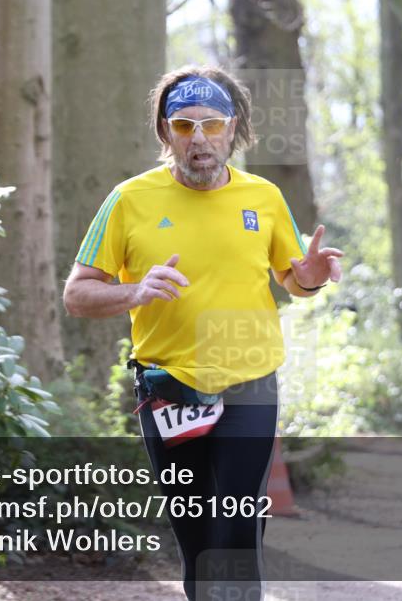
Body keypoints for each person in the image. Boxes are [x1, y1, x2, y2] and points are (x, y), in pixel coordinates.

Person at [63, 65, 343, 601]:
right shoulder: (128, 200)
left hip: (249, 382)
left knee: (236, 527)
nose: (199, 139)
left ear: (232, 128)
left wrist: (309, 278)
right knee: (196, 537)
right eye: (185, 126)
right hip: (169, 387)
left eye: (211, 125)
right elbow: (77, 295)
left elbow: (295, 279)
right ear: (165, 133)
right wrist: (134, 292)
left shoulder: (263, 197)